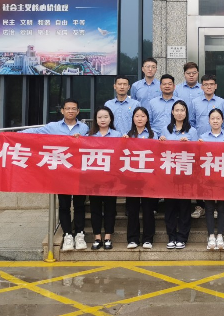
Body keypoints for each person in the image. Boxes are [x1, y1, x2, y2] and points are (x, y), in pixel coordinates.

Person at [21, 98, 89, 252]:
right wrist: (12, 136)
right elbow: (35, 133)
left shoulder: (84, 128)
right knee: (64, 205)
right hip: (61, 173)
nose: (71, 111)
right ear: (62, 111)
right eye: (68, 108)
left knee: (79, 205)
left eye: (74, 108)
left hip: (79, 172)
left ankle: (80, 235)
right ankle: (67, 235)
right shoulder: (53, 127)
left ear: (78, 111)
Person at [159, 100, 197, 249]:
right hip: (169, 175)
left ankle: (182, 237)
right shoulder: (165, 130)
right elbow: (159, 153)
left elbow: (197, 152)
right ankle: (171, 236)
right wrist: (161, 142)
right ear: (172, 112)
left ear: (186, 113)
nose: (179, 113)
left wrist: (189, 144)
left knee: (184, 207)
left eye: (182, 110)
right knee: (170, 207)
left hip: (185, 174)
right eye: (177, 110)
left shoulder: (192, 131)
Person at [198, 108, 224, 250]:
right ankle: (211, 235)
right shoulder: (203, 137)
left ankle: (220, 235)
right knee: (209, 206)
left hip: (223, 176)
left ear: (222, 120)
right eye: (213, 118)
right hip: (208, 177)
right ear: (208, 121)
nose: (215, 121)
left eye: (218, 118)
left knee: (222, 207)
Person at [88, 106, 121, 251]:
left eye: (106, 117)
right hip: (94, 179)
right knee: (95, 208)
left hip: (111, 179)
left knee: (110, 208)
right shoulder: (89, 136)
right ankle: (97, 237)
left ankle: (108, 237)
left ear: (110, 119)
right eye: (100, 117)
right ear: (96, 119)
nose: (103, 120)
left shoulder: (117, 135)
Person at [123, 107, 156, 250]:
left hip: (148, 178)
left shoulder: (154, 135)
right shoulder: (128, 135)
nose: (140, 118)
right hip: (132, 179)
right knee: (133, 209)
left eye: (143, 116)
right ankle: (133, 238)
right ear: (133, 118)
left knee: (148, 209)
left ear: (147, 118)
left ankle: (148, 239)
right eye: (137, 116)